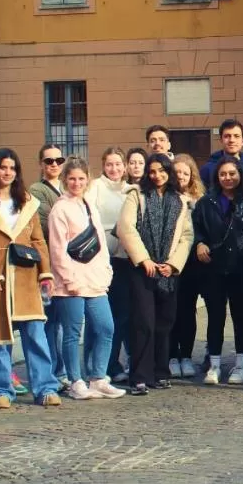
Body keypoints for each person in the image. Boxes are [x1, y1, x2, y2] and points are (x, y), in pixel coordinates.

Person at [0, 148, 60, 409]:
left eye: (12, 168)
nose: (7, 172)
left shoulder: (27, 202)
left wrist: (45, 273)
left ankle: (45, 387)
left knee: (35, 335)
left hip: (26, 276)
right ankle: (2, 389)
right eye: (3, 167)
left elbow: (38, 240)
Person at [117, 152, 192, 395]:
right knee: (144, 322)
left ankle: (160, 372)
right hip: (142, 269)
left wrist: (172, 264)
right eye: (152, 171)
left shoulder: (180, 201)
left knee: (164, 323)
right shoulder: (136, 196)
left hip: (168, 270)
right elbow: (126, 228)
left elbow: (186, 236)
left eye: (162, 170)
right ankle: (139, 376)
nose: (157, 175)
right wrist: (144, 259)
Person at [48, 158, 123, 400]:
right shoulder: (60, 209)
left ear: (87, 180)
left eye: (81, 178)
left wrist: (106, 271)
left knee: (105, 327)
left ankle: (98, 377)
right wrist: (70, 280)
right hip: (70, 283)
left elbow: (99, 241)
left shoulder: (89, 204)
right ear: (64, 180)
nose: (76, 183)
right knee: (72, 333)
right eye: (72, 178)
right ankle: (75, 380)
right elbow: (58, 249)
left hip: (95, 281)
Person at [193, 158, 243, 385]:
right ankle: (215, 364)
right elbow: (196, 227)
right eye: (223, 174)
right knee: (215, 317)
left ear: (239, 174)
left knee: (241, 317)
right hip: (214, 268)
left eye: (232, 173)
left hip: (240, 267)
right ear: (216, 177)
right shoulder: (206, 202)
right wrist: (200, 243)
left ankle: (240, 364)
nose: (228, 178)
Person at [86, 147, 137, 382]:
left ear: (125, 166)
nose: (114, 169)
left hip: (126, 257)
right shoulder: (95, 187)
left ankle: (120, 361)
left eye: (118, 164)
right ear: (103, 166)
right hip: (103, 257)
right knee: (108, 315)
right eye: (110, 164)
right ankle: (106, 364)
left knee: (124, 314)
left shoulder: (131, 190)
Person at [30, 143, 67, 386]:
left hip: (71, 263)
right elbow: (47, 225)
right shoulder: (36, 190)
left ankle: (62, 369)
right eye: (49, 161)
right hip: (49, 263)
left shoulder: (68, 186)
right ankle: (55, 371)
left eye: (58, 160)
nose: (54, 164)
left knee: (66, 322)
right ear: (41, 164)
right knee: (52, 322)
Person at [168, 154, 206, 378]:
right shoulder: (167, 196)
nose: (181, 176)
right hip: (172, 262)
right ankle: (172, 355)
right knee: (172, 310)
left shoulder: (199, 198)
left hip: (193, 262)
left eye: (185, 172)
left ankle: (187, 356)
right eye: (177, 172)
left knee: (189, 311)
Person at [200, 118, 243, 188]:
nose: (231, 140)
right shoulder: (207, 169)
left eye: (236, 136)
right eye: (227, 136)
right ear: (221, 140)